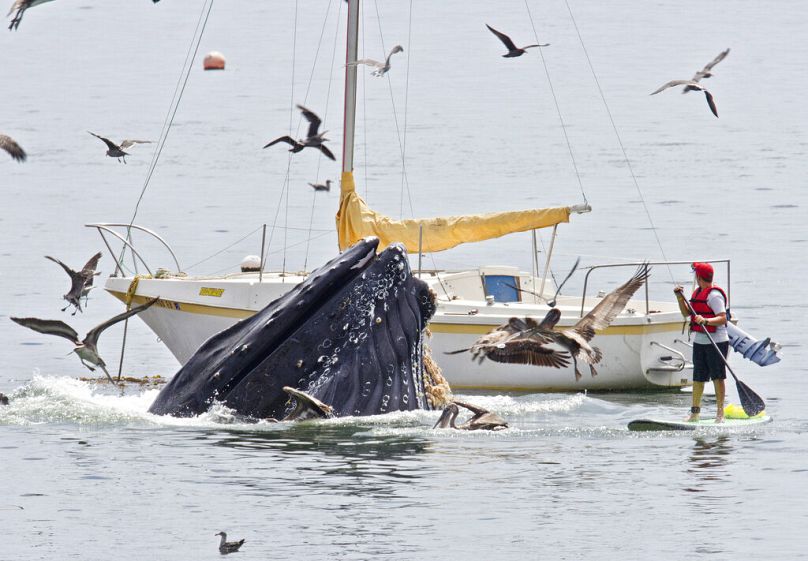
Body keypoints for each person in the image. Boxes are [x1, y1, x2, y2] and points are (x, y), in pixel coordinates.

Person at [674, 262, 729, 423]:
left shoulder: (714, 296)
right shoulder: (697, 293)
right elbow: (686, 313)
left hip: (717, 341)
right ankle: (695, 413)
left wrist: (706, 320)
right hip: (700, 341)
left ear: (699, 277)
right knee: (698, 378)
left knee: (718, 378)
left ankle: (720, 414)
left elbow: (723, 318)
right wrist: (679, 297)